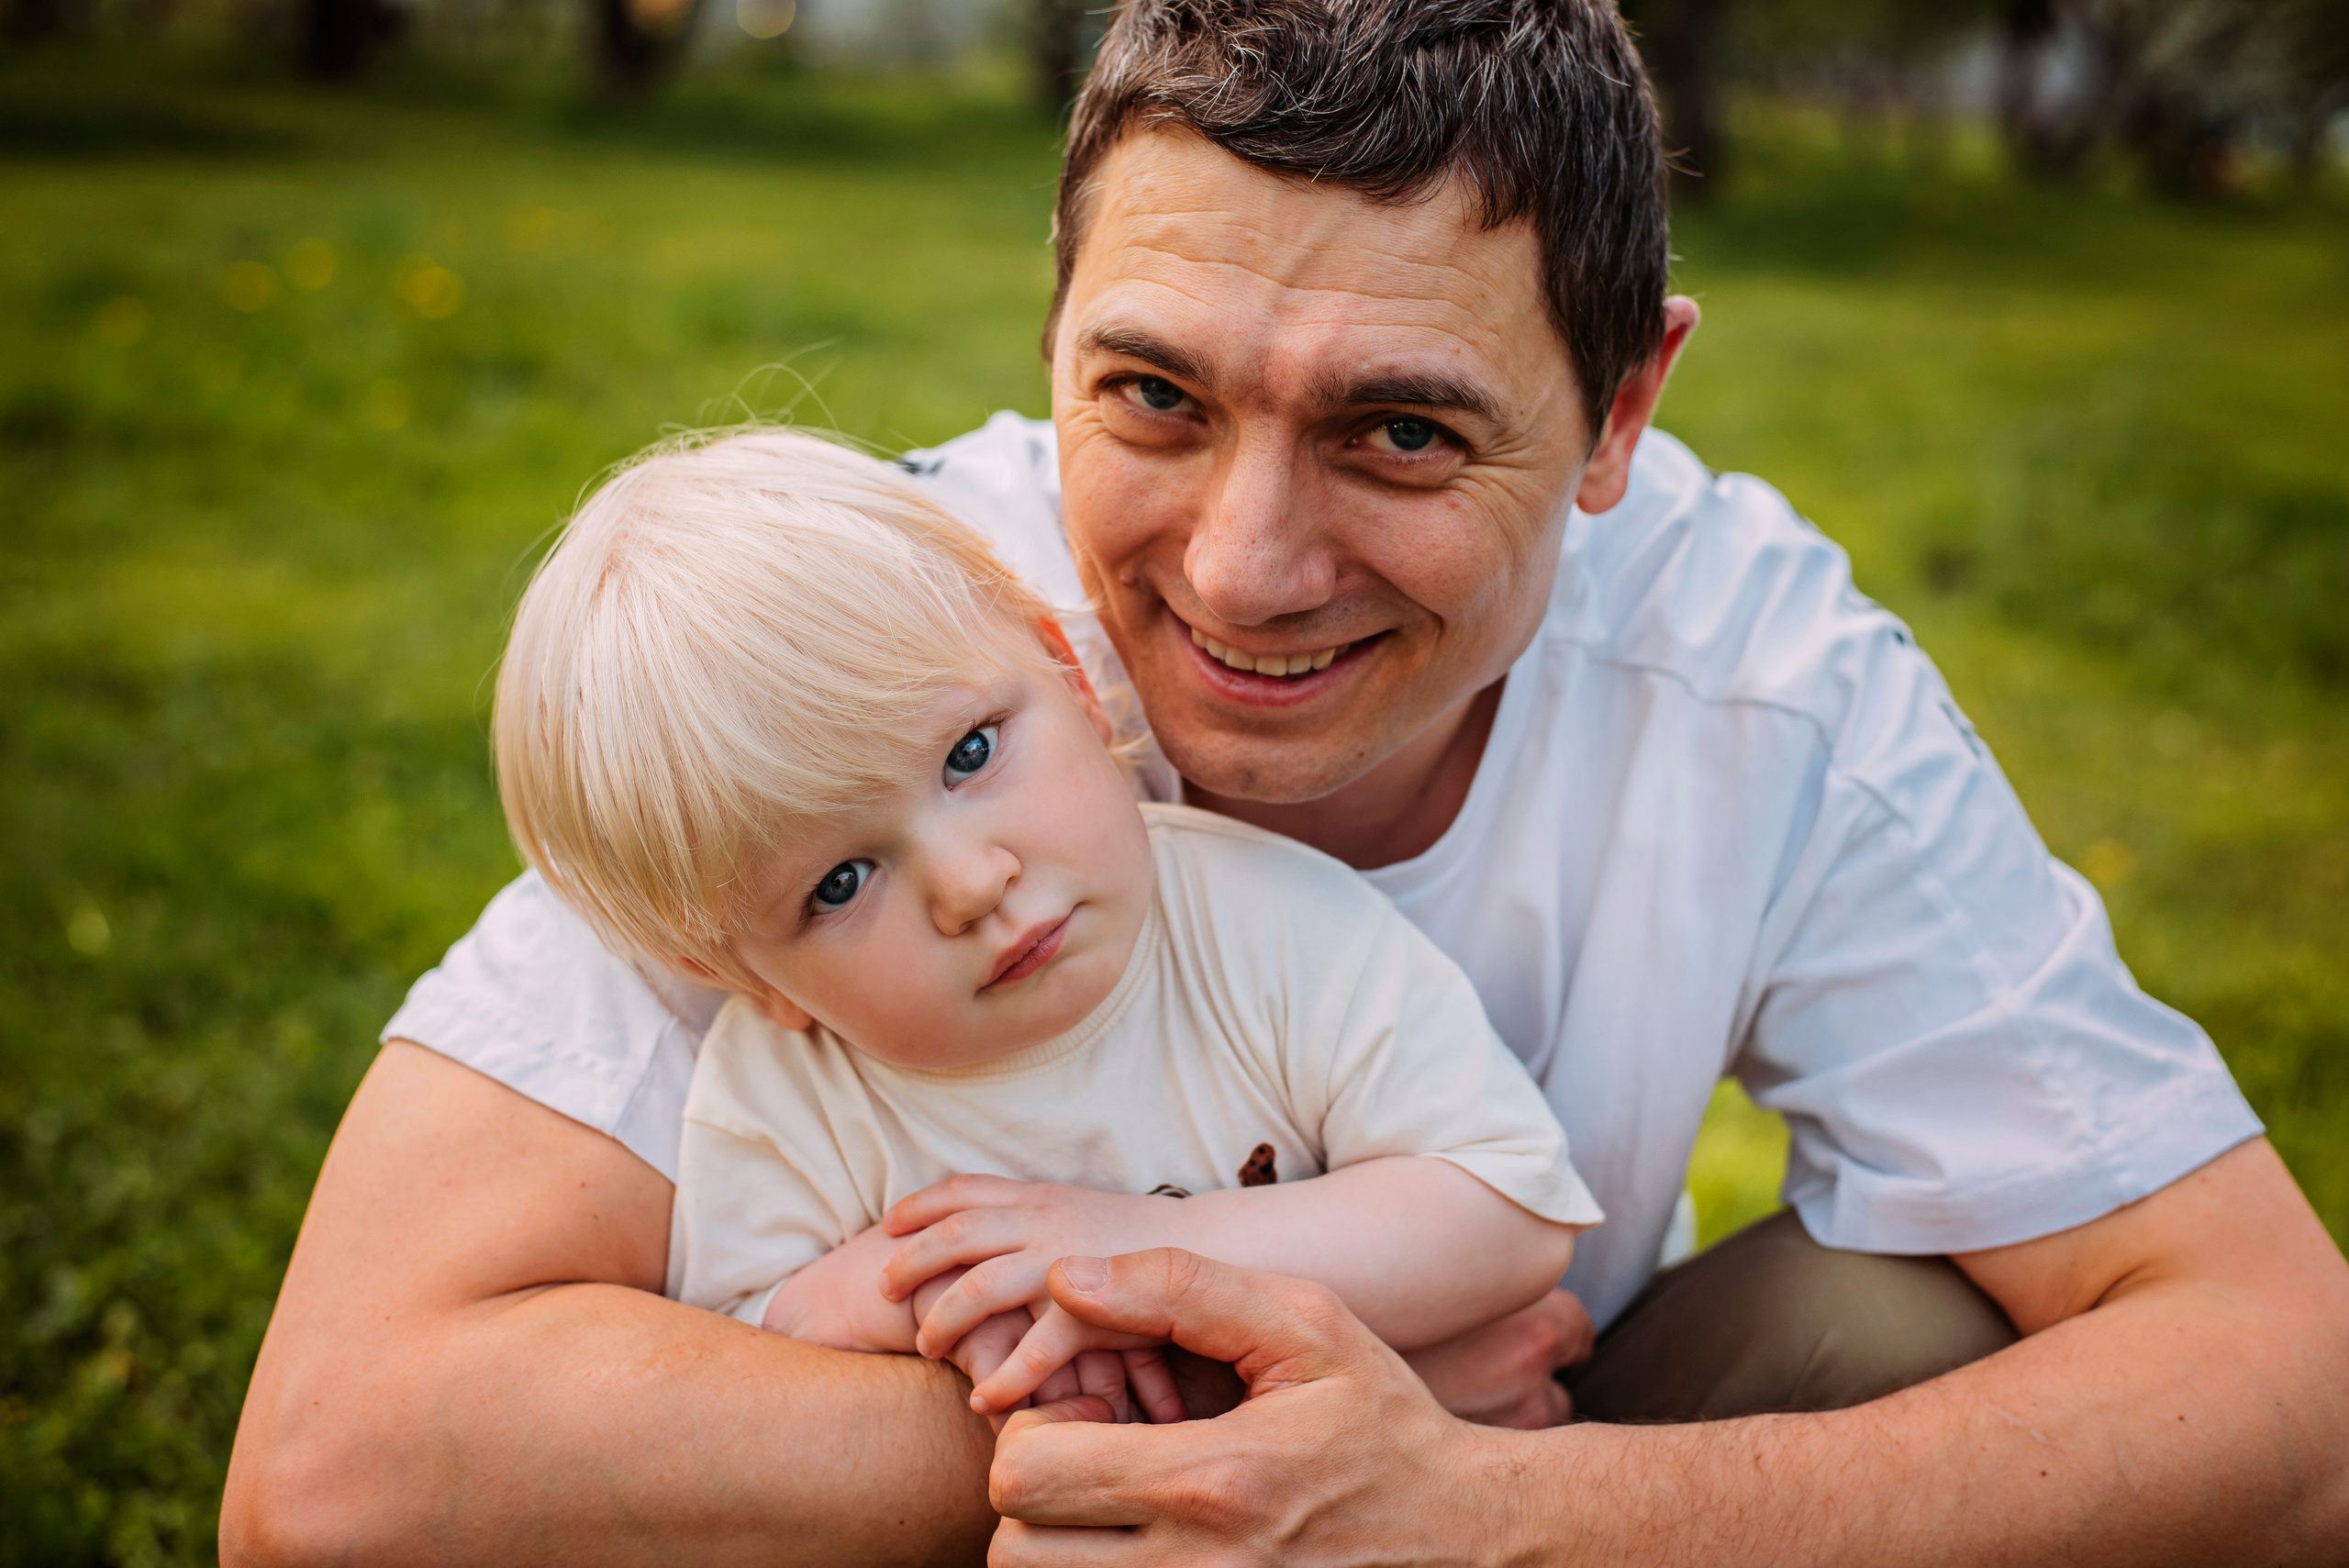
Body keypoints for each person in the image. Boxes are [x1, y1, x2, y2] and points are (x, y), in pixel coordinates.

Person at [221, 0, 2349, 1562]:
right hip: (1057, 1506)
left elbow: (2285, 1391)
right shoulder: (825, 674)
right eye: (1149, 393)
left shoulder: (1754, 680)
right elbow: (336, 1470)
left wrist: (1493, 1516)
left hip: (1513, 1447)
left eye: (1399, 431)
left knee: (1921, 1319)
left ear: (1618, 413)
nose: (1235, 571)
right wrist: (1231, 1438)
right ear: (1047, 333)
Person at [495, 428, 1598, 1423]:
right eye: (838, 881)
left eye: (969, 753)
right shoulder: (790, 1103)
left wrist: (1138, 1254)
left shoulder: (1270, 928)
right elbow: (739, 1349)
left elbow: (1506, 1206)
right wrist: (898, 1306)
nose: (970, 884)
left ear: (1071, 676)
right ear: (743, 972)